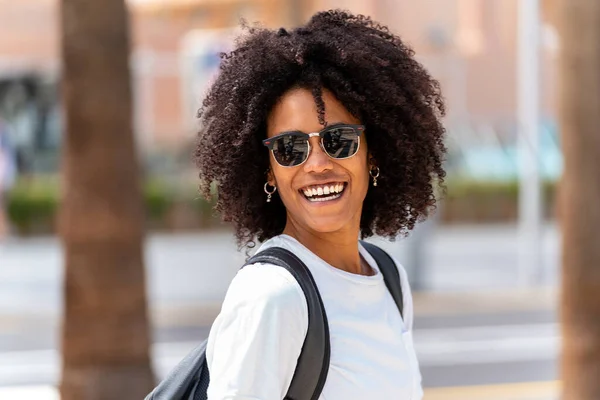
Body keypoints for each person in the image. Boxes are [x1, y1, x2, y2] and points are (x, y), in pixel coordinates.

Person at [195, 10, 447, 400]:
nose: (317, 165)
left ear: (373, 153)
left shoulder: (387, 276)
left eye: (339, 139)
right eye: (290, 148)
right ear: (268, 172)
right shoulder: (273, 295)